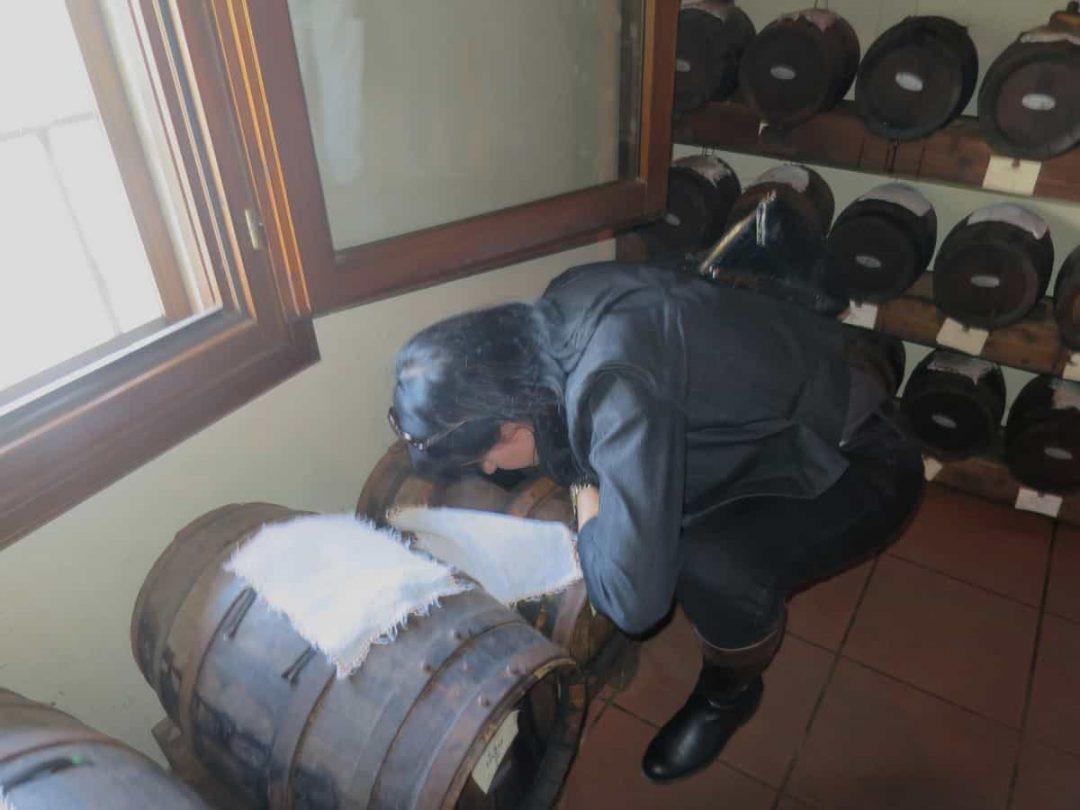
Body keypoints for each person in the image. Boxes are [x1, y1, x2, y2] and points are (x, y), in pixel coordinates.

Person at [387, 197, 925, 783]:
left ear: (512, 418)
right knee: (652, 515)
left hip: (858, 460)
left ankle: (729, 694)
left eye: (486, 456)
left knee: (708, 566)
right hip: (784, 411)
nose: (491, 471)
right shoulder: (557, 302)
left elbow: (634, 604)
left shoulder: (613, 390)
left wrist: (586, 489)